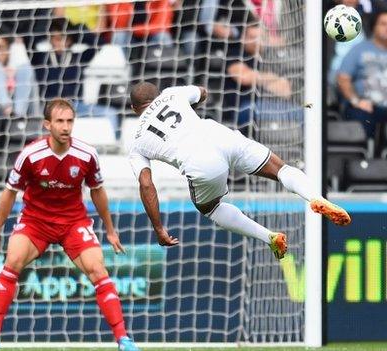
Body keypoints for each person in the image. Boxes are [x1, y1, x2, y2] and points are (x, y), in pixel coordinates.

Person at [0, 98, 140, 351]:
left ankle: (124, 340)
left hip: (73, 222)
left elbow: (97, 190)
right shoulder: (30, 155)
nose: (65, 127)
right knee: (12, 263)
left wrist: (110, 230)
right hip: (35, 221)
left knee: (99, 271)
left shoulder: (86, 155)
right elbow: (9, 193)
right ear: (47, 124)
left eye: (70, 121)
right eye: (60, 121)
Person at [128, 82, 351, 259]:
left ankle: (269, 237)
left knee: (210, 208)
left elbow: (146, 184)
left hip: (200, 162)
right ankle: (316, 197)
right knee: (281, 169)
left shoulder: (136, 141)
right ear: (156, 95)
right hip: (221, 136)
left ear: (134, 109)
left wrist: (159, 228)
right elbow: (203, 92)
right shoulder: (172, 94)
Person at [337, 6, 387, 138]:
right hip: (365, 106)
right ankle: (363, 156)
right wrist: (356, 101)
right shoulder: (359, 49)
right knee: (361, 116)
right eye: (383, 24)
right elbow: (343, 78)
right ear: (374, 26)